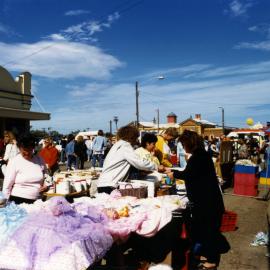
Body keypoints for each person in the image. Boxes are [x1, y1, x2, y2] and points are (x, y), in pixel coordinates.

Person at [166, 130, 230, 269]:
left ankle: (212, 260)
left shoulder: (198, 157)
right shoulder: (201, 155)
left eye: (183, 144)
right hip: (207, 201)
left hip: (207, 202)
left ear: (190, 143)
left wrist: (173, 173)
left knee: (209, 231)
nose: (183, 147)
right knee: (206, 230)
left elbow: (189, 175)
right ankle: (206, 254)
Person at [97, 126, 160, 194]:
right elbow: (139, 163)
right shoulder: (125, 146)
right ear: (132, 137)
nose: (136, 141)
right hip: (110, 184)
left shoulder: (118, 145)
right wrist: (156, 166)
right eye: (136, 138)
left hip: (104, 183)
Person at [2, 135, 50, 204]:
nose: (27, 153)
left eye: (29, 150)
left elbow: (46, 176)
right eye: (24, 150)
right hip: (18, 200)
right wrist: (5, 203)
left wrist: (46, 185)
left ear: (33, 148)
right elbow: (7, 186)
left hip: (37, 201)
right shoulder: (14, 161)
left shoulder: (39, 160)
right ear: (19, 148)